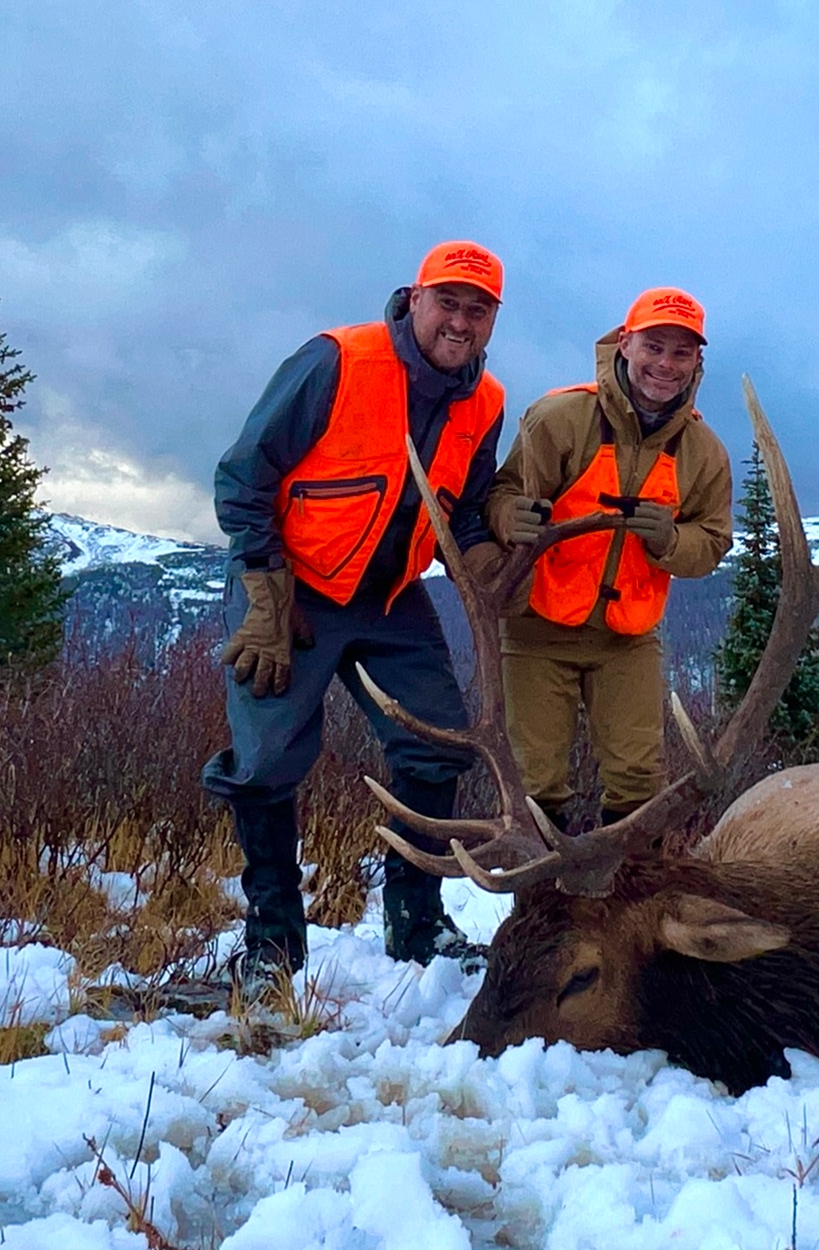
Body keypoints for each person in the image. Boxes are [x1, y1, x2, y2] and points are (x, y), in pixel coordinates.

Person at [202, 240, 510, 982]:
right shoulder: (336, 360)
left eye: (478, 309)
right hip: (289, 584)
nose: (460, 322)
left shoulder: (487, 401)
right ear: (414, 298)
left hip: (391, 595)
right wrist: (263, 587)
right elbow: (244, 473)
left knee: (440, 741)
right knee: (267, 760)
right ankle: (273, 942)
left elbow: (463, 509)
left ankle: (416, 925)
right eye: (449, 302)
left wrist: (486, 557)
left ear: (492, 320)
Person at [484, 288, 733, 828]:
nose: (666, 364)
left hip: (628, 638)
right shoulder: (559, 419)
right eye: (654, 346)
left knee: (640, 781)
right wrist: (509, 518)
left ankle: (629, 903)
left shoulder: (703, 452)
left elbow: (711, 544)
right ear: (625, 344)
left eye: (682, 352)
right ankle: (541, 904)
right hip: (537, 630)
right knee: (534, 784)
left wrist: (670, 540)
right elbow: (500, 493)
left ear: (697, 362)